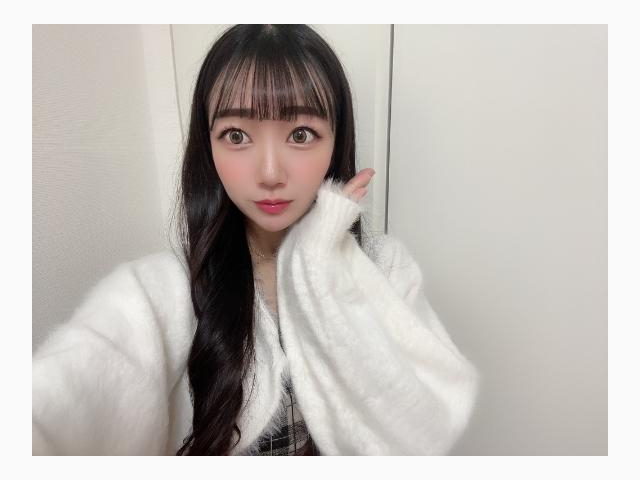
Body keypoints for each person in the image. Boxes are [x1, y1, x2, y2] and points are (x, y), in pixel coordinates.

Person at [32, 24, 480, 456]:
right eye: (237, 135)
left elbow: (422, 428)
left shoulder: (385, 269)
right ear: (208, 146)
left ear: (335, 141)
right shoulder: (161, 291)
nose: (269, 173)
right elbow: (61, 401)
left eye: (301, 134)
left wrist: (319, 261)